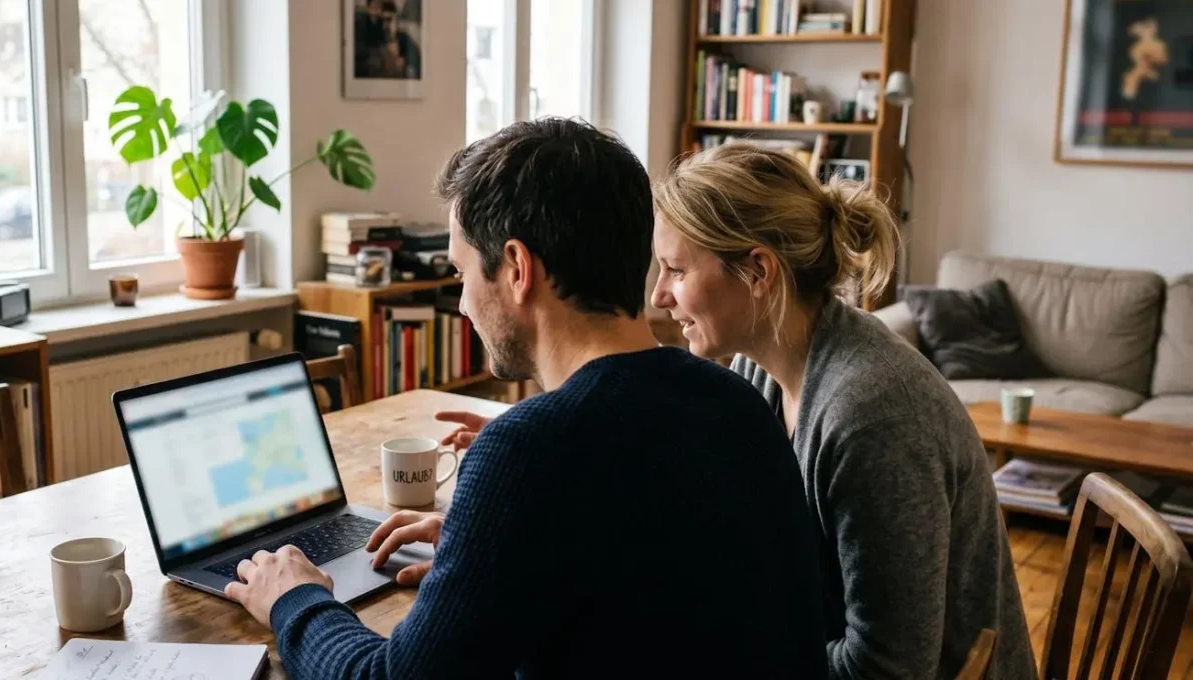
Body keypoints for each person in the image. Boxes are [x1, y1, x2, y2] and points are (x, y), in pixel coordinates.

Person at [224, 119, 828, 678]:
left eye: (462, 273)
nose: (461, 304)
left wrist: (294, 598)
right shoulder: (738, 403)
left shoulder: (532, 446)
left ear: (516, 267)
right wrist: (484, 559)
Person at [648, 142, 1036, 679]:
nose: (659, 296)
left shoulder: (873, 417)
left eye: (676, 270)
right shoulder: (760, 369)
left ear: (758, 271)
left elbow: (887, 669)